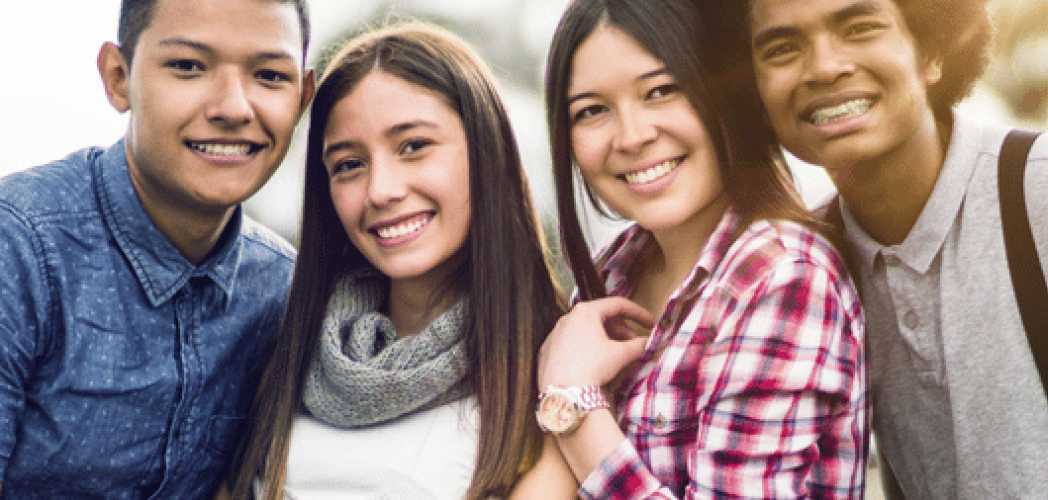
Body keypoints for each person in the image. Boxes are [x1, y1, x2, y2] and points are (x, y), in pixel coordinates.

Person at [721, 0, 1048, 496]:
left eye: (859, 27)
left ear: (933, 53)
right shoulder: (805, 274)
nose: (825, 67)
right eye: (783, 48)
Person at [513, 0, 868, 497]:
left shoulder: (783, 277)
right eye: (592, 110)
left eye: (661, 91)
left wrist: (574, 407)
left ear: (723, 93)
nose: (632, 136)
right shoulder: (616, 270)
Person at [221, 23, 566, 500]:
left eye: (414, 146)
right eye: (348, 164)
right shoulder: (283, 341)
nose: (381, 190)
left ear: (487, 151)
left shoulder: (556, 370)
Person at [0, 0, 314, 497]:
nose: (233, 108)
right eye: (188, 66)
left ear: (303, 96)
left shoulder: (283, 290)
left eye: (270, 75)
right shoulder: (19, 247)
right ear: (118, 78)